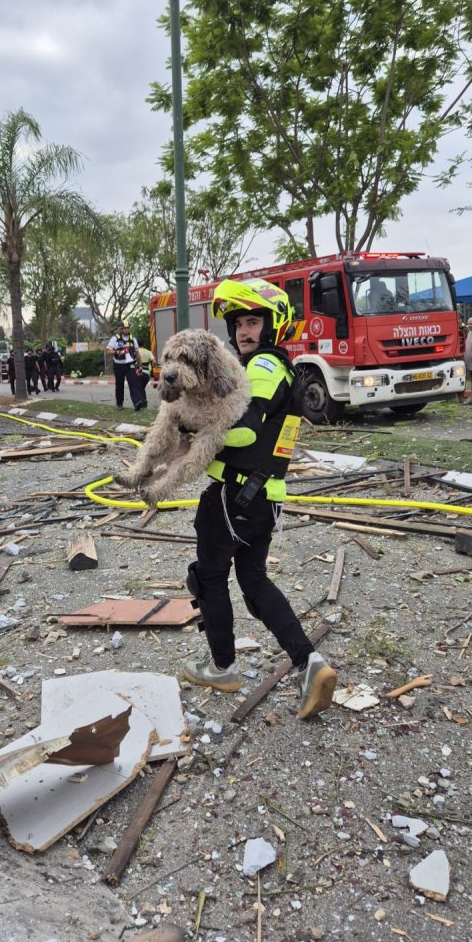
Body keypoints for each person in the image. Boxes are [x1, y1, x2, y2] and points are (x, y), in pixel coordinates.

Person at [182, 278, 337, 720]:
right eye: (238, 324)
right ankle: (311, 663)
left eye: (253, 322)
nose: (243, 331)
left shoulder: (264, 367)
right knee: (252, 583)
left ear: (272, 327)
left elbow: (246, 428)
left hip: (232, 497)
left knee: (208, 577)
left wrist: (192, 433)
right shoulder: (285, 368)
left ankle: (222, 667)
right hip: (265, 498)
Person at [106, 321, 146, 411]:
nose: (126, 330)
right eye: (124, 328)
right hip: (118, 365)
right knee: (119, 384)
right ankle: (119, 403)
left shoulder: (132, 339)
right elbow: (108, 351)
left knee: (134, 383)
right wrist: (117, 351)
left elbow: (137, 353)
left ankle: (137, 403)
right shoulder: (115, 339)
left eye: (127, 328)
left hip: (130, 364)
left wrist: (140, 365)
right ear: (120, 329)